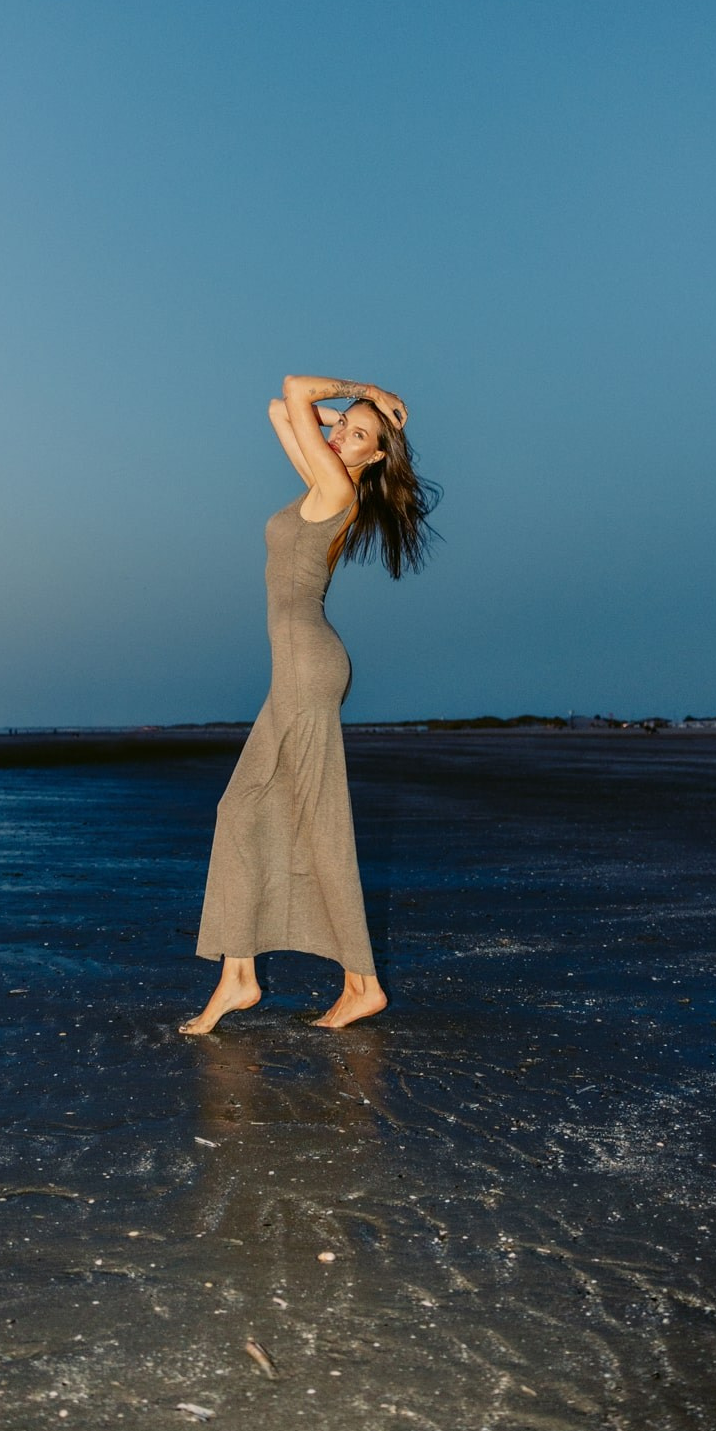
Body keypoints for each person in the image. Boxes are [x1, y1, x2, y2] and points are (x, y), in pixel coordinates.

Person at [180, 373, 439, 1035]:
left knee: (303, 819)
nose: (343, 435)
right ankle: (241, 976)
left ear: (374, 457)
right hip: (299, 666)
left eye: (360, 435)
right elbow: (280, 408)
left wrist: (366, 392)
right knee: (245, 810)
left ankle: (359, 985)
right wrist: (353, 416)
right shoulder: (323, 480)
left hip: (306, 664)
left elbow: (294, 388)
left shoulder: (336, 489)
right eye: (343, 426)